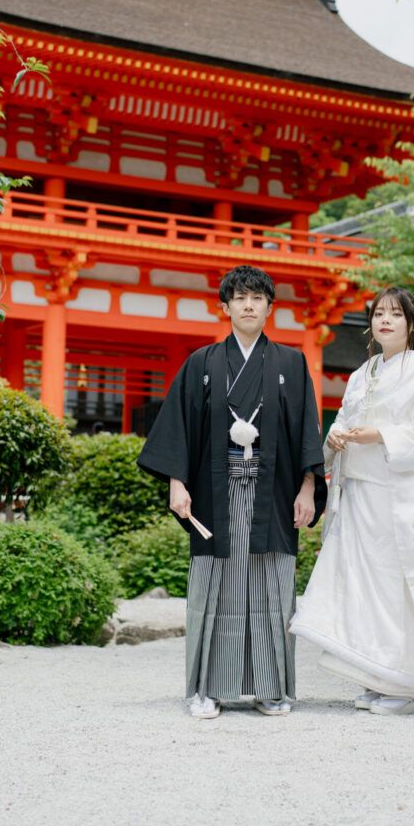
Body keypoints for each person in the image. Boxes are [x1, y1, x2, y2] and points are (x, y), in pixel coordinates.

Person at [138, 265, 327, 719]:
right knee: (214, 586)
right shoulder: (201, 363)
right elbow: (179, 426)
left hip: (273, 494)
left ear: (269, 307)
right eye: (240, 298)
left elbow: (307, 428)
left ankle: (270, 688)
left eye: (257, 298)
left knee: (270, 586)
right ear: (224, 307)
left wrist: (307, 487)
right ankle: (207, 689)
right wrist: (176, 482)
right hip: (214, 492)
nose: (248, 305)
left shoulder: (291, 363)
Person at [290, 284, 414, 715]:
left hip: (397, 499)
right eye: (379, 313)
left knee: (394, 586)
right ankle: (375, 675)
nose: (385, 320)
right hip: (360, 495)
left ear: (412, 324)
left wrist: (381, 434)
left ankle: (403, 684)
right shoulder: (360, 375)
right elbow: (345, 420)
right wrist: (336, 437)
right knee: (362, 586)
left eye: (396, 314)